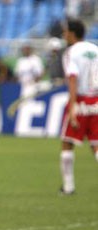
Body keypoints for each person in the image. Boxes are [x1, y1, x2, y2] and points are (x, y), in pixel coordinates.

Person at [59, 18, 98, 195]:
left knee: (67, 143)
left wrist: (73, 106)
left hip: (80, 100)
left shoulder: (70, 52)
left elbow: (73, 78)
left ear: (72, 33)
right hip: (96, 101)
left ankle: (68, 187)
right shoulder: (95, 50)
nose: (64, 35)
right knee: (96, 146)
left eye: (66, 31)